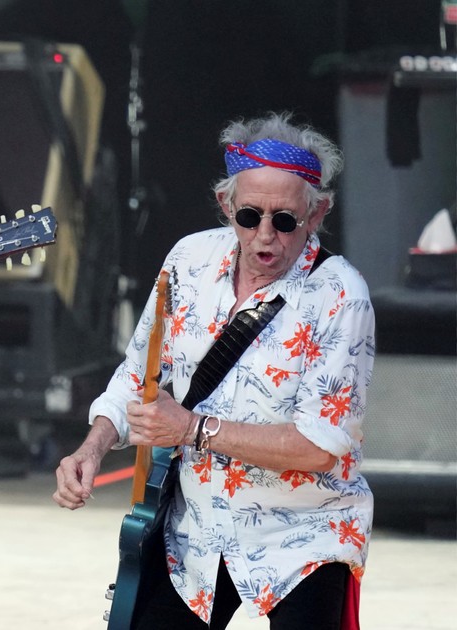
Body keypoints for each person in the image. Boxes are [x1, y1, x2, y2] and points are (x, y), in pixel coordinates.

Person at [53, 112, 375, 629]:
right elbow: (136, 375)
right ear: (227, 205)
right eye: (249, 216)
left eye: (285, 220)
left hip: (304, 536)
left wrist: (192, 429)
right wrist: (90, 449)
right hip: (196, 532)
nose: (264, 236)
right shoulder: (189, 260)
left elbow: (320, 445)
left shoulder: (342, 295)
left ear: (317, 214)